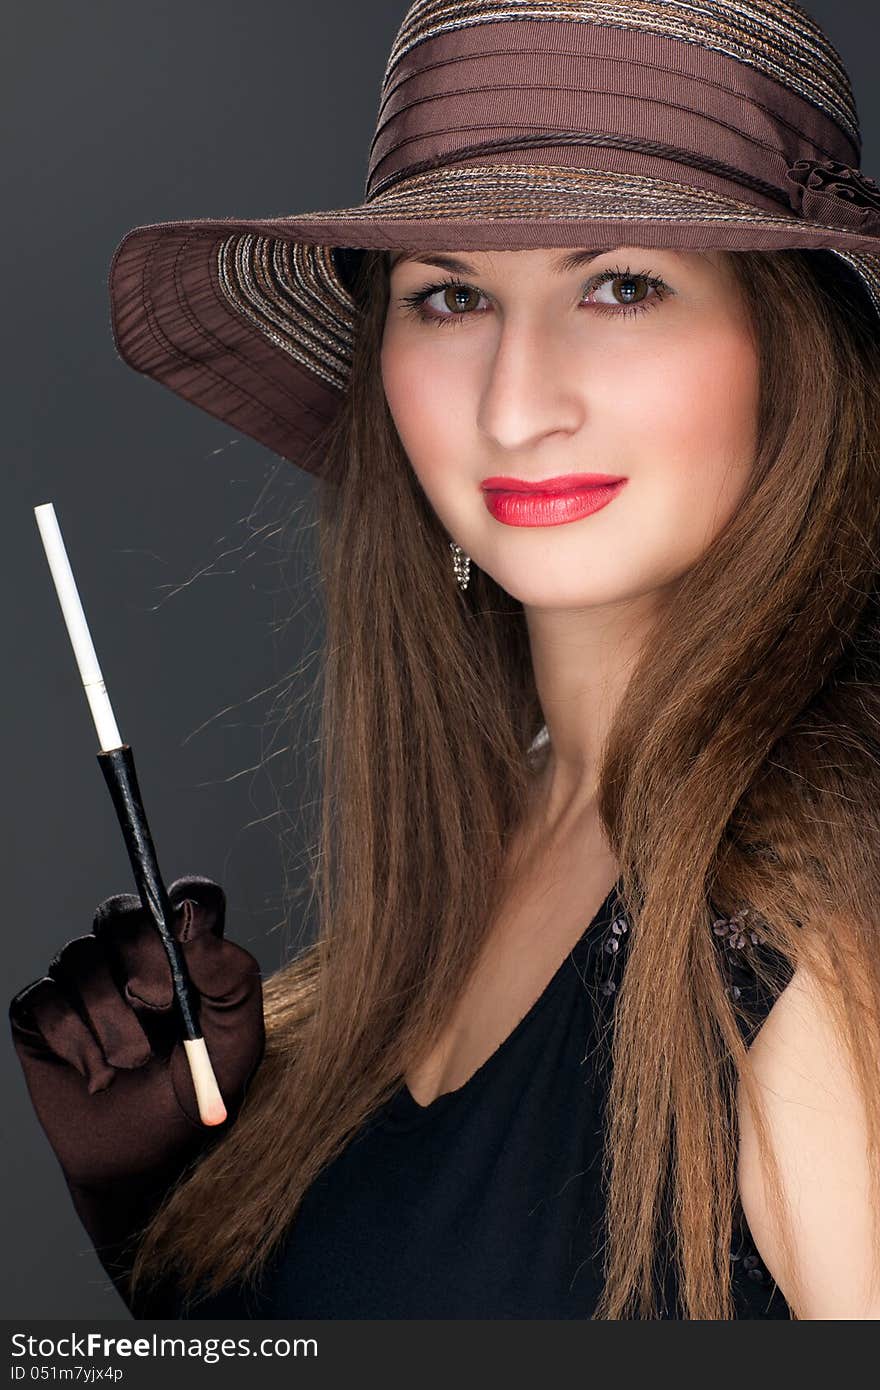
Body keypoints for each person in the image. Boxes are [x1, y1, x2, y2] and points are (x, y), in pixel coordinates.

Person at [10, 0, 880, 1320]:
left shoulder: (819, 914)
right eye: (451, 295)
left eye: (622, 283)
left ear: (792, 351)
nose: (517, 403)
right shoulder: (481, 829)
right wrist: (169, 1209)